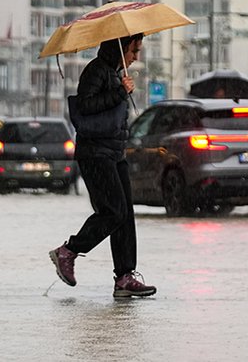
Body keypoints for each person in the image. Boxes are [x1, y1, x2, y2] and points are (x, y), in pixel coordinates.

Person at [50, 33, 156, 298]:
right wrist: (120, 91)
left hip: (114, 153)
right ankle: (68, 251)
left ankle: (124, 277)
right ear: (121, 48)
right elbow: (85, 106)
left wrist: (121, 88)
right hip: (95, 154)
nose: (136, 57)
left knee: (125, 215)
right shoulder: (96, 71)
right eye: (134, 50)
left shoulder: (114, 73)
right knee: (113, 212)